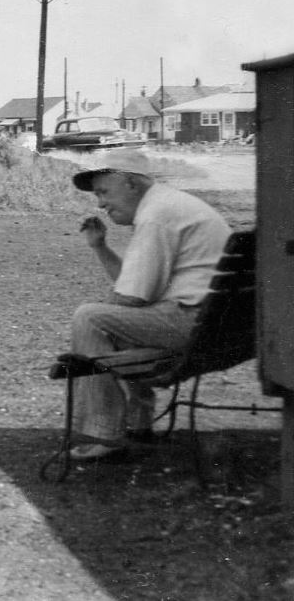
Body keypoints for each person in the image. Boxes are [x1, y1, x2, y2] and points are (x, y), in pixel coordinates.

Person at [63, 166, 230, 461]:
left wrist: (94, 332)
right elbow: (138, 288)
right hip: (214, 322)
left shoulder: (155, 216)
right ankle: (139, 423)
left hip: (191, 321)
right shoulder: (167, 204)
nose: (100, 204)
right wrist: (99, 247)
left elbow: (131, 297)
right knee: (117, 321)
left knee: (89, 318)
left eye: (103, 192)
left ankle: (106, 434)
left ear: (130, 183)